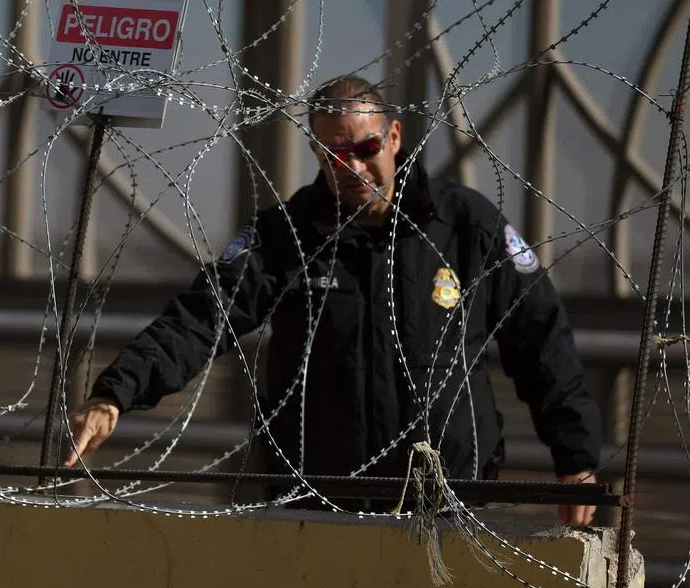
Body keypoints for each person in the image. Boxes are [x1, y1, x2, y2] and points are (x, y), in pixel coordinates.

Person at [65, 74, 602, 526]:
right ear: (316, 152)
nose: (354, 169)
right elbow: (202, 317)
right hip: (318, 503)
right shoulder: (287, 235)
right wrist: (116, 393)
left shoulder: (466, 225)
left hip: (445, 501)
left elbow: (541, 339)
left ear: (393, 137)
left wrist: (575, 460)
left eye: (366, 149)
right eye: (334, 155)